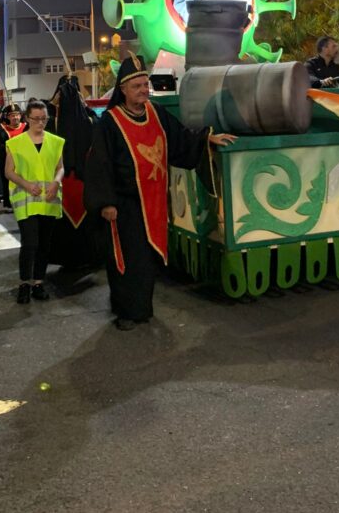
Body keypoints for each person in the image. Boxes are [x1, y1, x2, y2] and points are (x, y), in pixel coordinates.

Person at [84, 53, 236, 330]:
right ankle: (127, 312)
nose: (143, 90)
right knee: (129, 259)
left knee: (147, 259)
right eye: (136, 86)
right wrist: (106, 202)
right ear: (123, 90)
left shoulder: (156, 113)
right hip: (124, 205)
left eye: (145, 85)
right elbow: (99, 165)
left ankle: (141, 307)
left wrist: (206, 139)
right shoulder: (109, 122)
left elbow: (181, 139)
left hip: (153, 202)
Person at [4, 99, 65, 304]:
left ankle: (38, 282)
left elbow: (60, 167)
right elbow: (8, 171)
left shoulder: (56, 142)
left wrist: (56, 183)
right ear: (27, 119)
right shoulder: (15, 143)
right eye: (36, 119)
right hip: (26, 200)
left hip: (48, 199)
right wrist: (26, 184)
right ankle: (24, 283)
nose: (40, 123)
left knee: (44, 244)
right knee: (30, 243)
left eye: (44, 119)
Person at [46, 74, 98, 269]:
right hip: (83, 179)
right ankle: (87, 256)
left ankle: (63, 257)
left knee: (62, 223)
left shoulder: (51, 125)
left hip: (59, 179)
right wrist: (85, 107)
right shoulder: (89, 122)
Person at [0, 104, 26, 211]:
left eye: (17, 115)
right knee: (8, 182)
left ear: (20, 116)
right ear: (7, 117)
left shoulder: (26, 127)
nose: (15, 117)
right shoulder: (1, 129)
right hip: (8, 161)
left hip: (25, 162)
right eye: (12, 115)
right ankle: (9, 204)